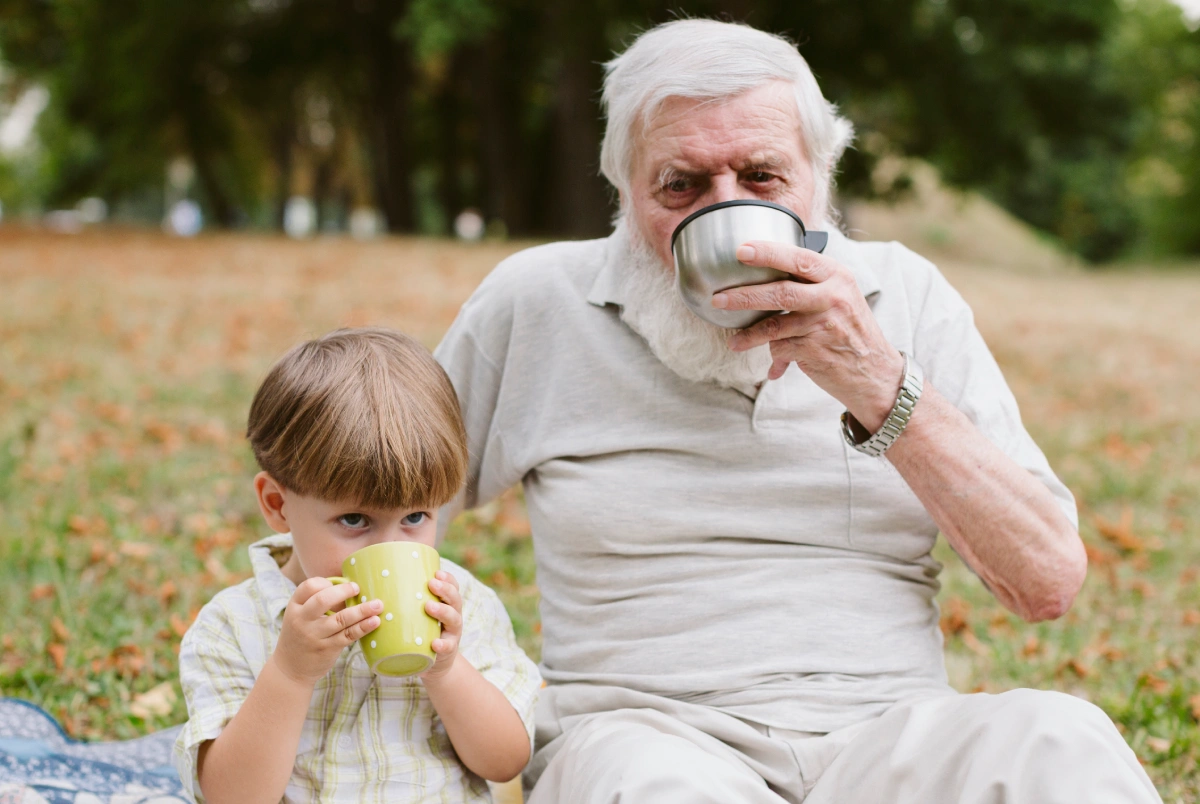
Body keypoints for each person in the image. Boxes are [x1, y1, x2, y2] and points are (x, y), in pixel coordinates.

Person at [433, 18, 1162, 804]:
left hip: (888, 740)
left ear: (820, 177)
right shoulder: (537, 302)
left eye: (762, 176)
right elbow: (371, 498)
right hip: (646, 739)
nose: (726, 216)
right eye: (681, 185)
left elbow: (1046, 581)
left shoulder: (908, 295)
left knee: (1062, 741)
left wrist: (876, 380)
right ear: (624, 189)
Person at [173, 327, 541, 804]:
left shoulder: (461, 606)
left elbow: (506, 761)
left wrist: (447, 672)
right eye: (354, 520)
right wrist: (289, 674)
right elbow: (230, 797)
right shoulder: (233, 627)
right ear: (278, 505)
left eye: (415, 517)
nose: (390, 545)